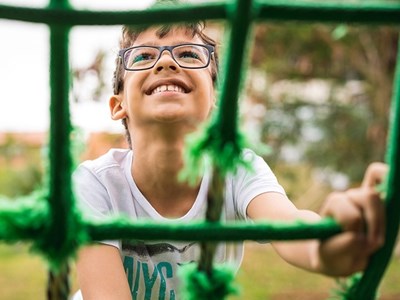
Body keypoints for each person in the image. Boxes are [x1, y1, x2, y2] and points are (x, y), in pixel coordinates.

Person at [73, 20, 387, 300]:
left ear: (215, 101)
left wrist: (334, 234)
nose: (166, 61)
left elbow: (292, 229)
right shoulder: (95, 182)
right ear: (118, 105)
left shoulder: (236, 169)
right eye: (143, 56)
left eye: (188, 55)